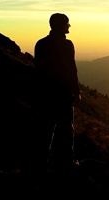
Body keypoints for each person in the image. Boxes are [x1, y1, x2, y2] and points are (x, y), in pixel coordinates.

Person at [34, 13, 81, 171]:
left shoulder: (41, 44)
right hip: (63, 93)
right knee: (66, 128)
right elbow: (71, 69)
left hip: (45, 92)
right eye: (67, 23)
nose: (69, 26)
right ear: (61, 25)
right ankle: (67, 160)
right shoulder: (67, 45)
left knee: (45, 127)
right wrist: (76, 90)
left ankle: (42, 160)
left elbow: (38, 69)